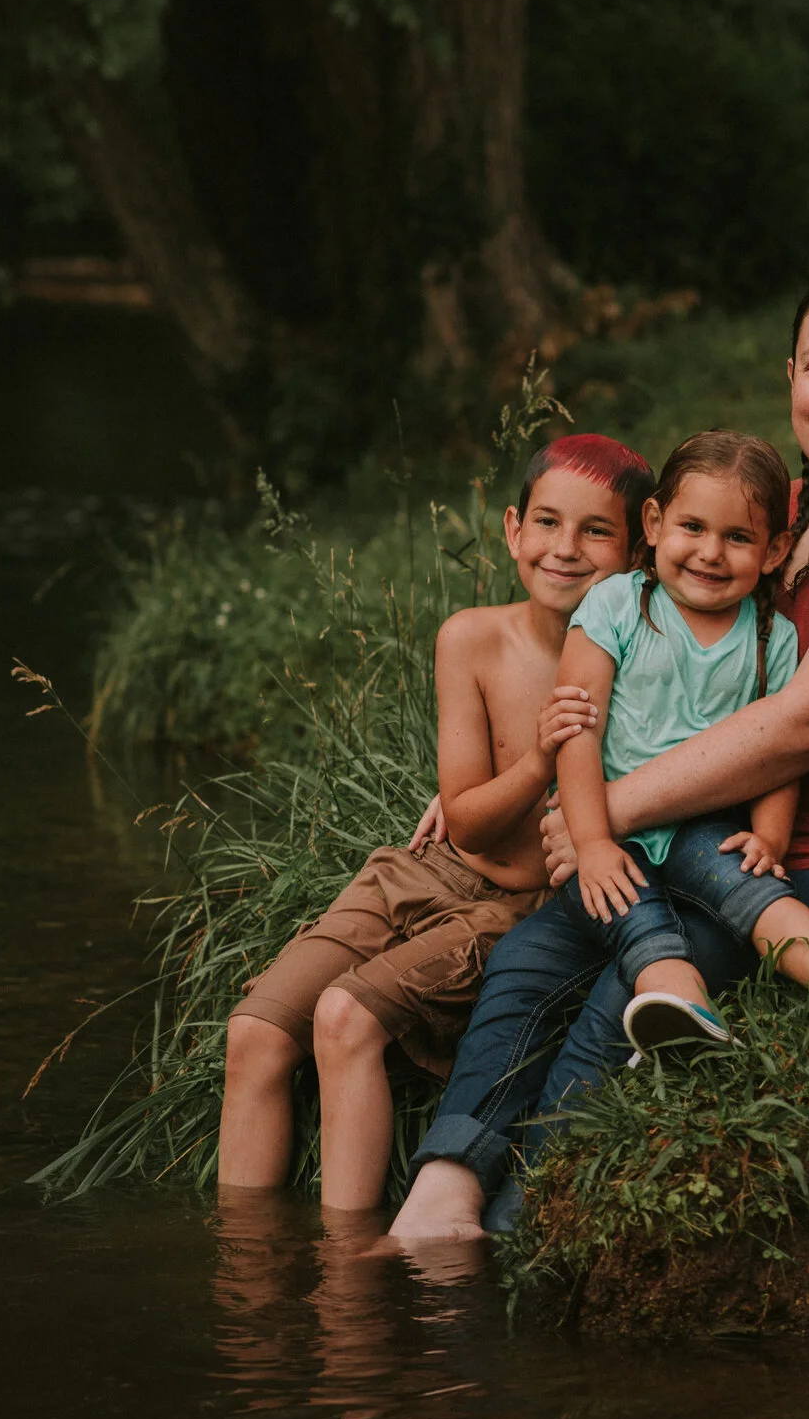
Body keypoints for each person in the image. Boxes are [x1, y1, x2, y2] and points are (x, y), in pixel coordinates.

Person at [387, 270, 809, 1242]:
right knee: (539, 948)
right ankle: (447, 1179)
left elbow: (807, 721)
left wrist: (602, 812)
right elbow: (637, 606)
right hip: (754, 842)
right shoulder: (788, 510)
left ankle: (528, 1210)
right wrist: (510, 772)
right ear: (789, 377)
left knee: (656, 965)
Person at [215, 435, 653, 1205]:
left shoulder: (647, 656)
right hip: (428, 868)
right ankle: (248, 1280)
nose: (565, 549)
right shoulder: (472, 638)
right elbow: (469, 821)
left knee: (345, 1018)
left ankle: (348, 1284)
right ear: (513, 529)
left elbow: (737, 501)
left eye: (596, 531)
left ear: (639, 545)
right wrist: (535, 762)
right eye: (547, 523)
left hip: (522, 906)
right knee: (255, 1033)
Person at [553, 430, 809, 1057]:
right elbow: (577, 732)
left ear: (774, 551)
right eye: (693, 528)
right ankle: (683, 1004)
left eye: (738, 537)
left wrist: (771, 834)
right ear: (653, 522)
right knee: (634, 916)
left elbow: (781, 755)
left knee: (752, 889)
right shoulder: (614, 604)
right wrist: (592, 841)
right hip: (610, 830)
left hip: (705, 823)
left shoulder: (775, 639)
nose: (711, 553)